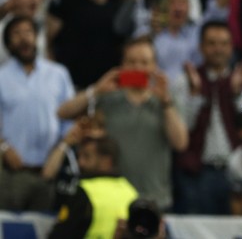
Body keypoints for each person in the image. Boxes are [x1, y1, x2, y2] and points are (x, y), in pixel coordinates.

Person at [57, 37, 188, 211]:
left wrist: (166, 103)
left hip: (155, 197)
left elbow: (180, 143)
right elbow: (62, 113)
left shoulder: (166, 100)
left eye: (145, 62)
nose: (138, 68)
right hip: (112, 197)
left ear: (155, 66)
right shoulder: (108, 96)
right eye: (131, 62)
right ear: (122, 65)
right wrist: (96, 90)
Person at [0, 15, 75, 211]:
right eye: (16, 34)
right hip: (11, 173)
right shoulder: (2, 76)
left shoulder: (58, 74)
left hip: (49, 172)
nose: (23, 38)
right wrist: (4, 146)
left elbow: (69, 120)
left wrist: (60, 150)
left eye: (28, 32)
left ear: (37, 38)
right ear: (8, 43)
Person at [172, 21, 242, 214]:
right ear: (201, 47)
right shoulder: (185, 81)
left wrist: (237, 94)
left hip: (236, 173)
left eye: (223, 44)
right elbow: (181, 131)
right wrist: (195, 96)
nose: (218, 49)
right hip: (195, 174)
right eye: (212, 43)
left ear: (231, 47)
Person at [48, 137, 139, 239]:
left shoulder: (84, 191)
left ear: (106, 161)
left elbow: (60, 235)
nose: (80, 162)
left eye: (87, 157)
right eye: (79, 156)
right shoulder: (131, 192)